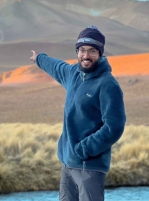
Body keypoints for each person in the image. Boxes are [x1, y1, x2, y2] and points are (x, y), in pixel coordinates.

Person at [30, 25, 126, 201]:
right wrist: (39, 58)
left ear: (100, 53)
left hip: (90, 166)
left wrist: (84, 149)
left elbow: (114, 126)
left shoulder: (108, 84)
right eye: (82, 50)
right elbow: (56, 66)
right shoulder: (73, 74)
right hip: (69, 163)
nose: (86, 56)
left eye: (92, 51)